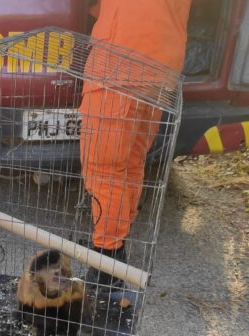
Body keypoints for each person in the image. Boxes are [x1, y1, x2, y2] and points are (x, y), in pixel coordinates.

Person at [79, 0, 192, 287]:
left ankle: (107, 261)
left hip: (122, 58)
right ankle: (117, 237)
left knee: (103, 166)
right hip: (161, 58)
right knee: (130, 159)